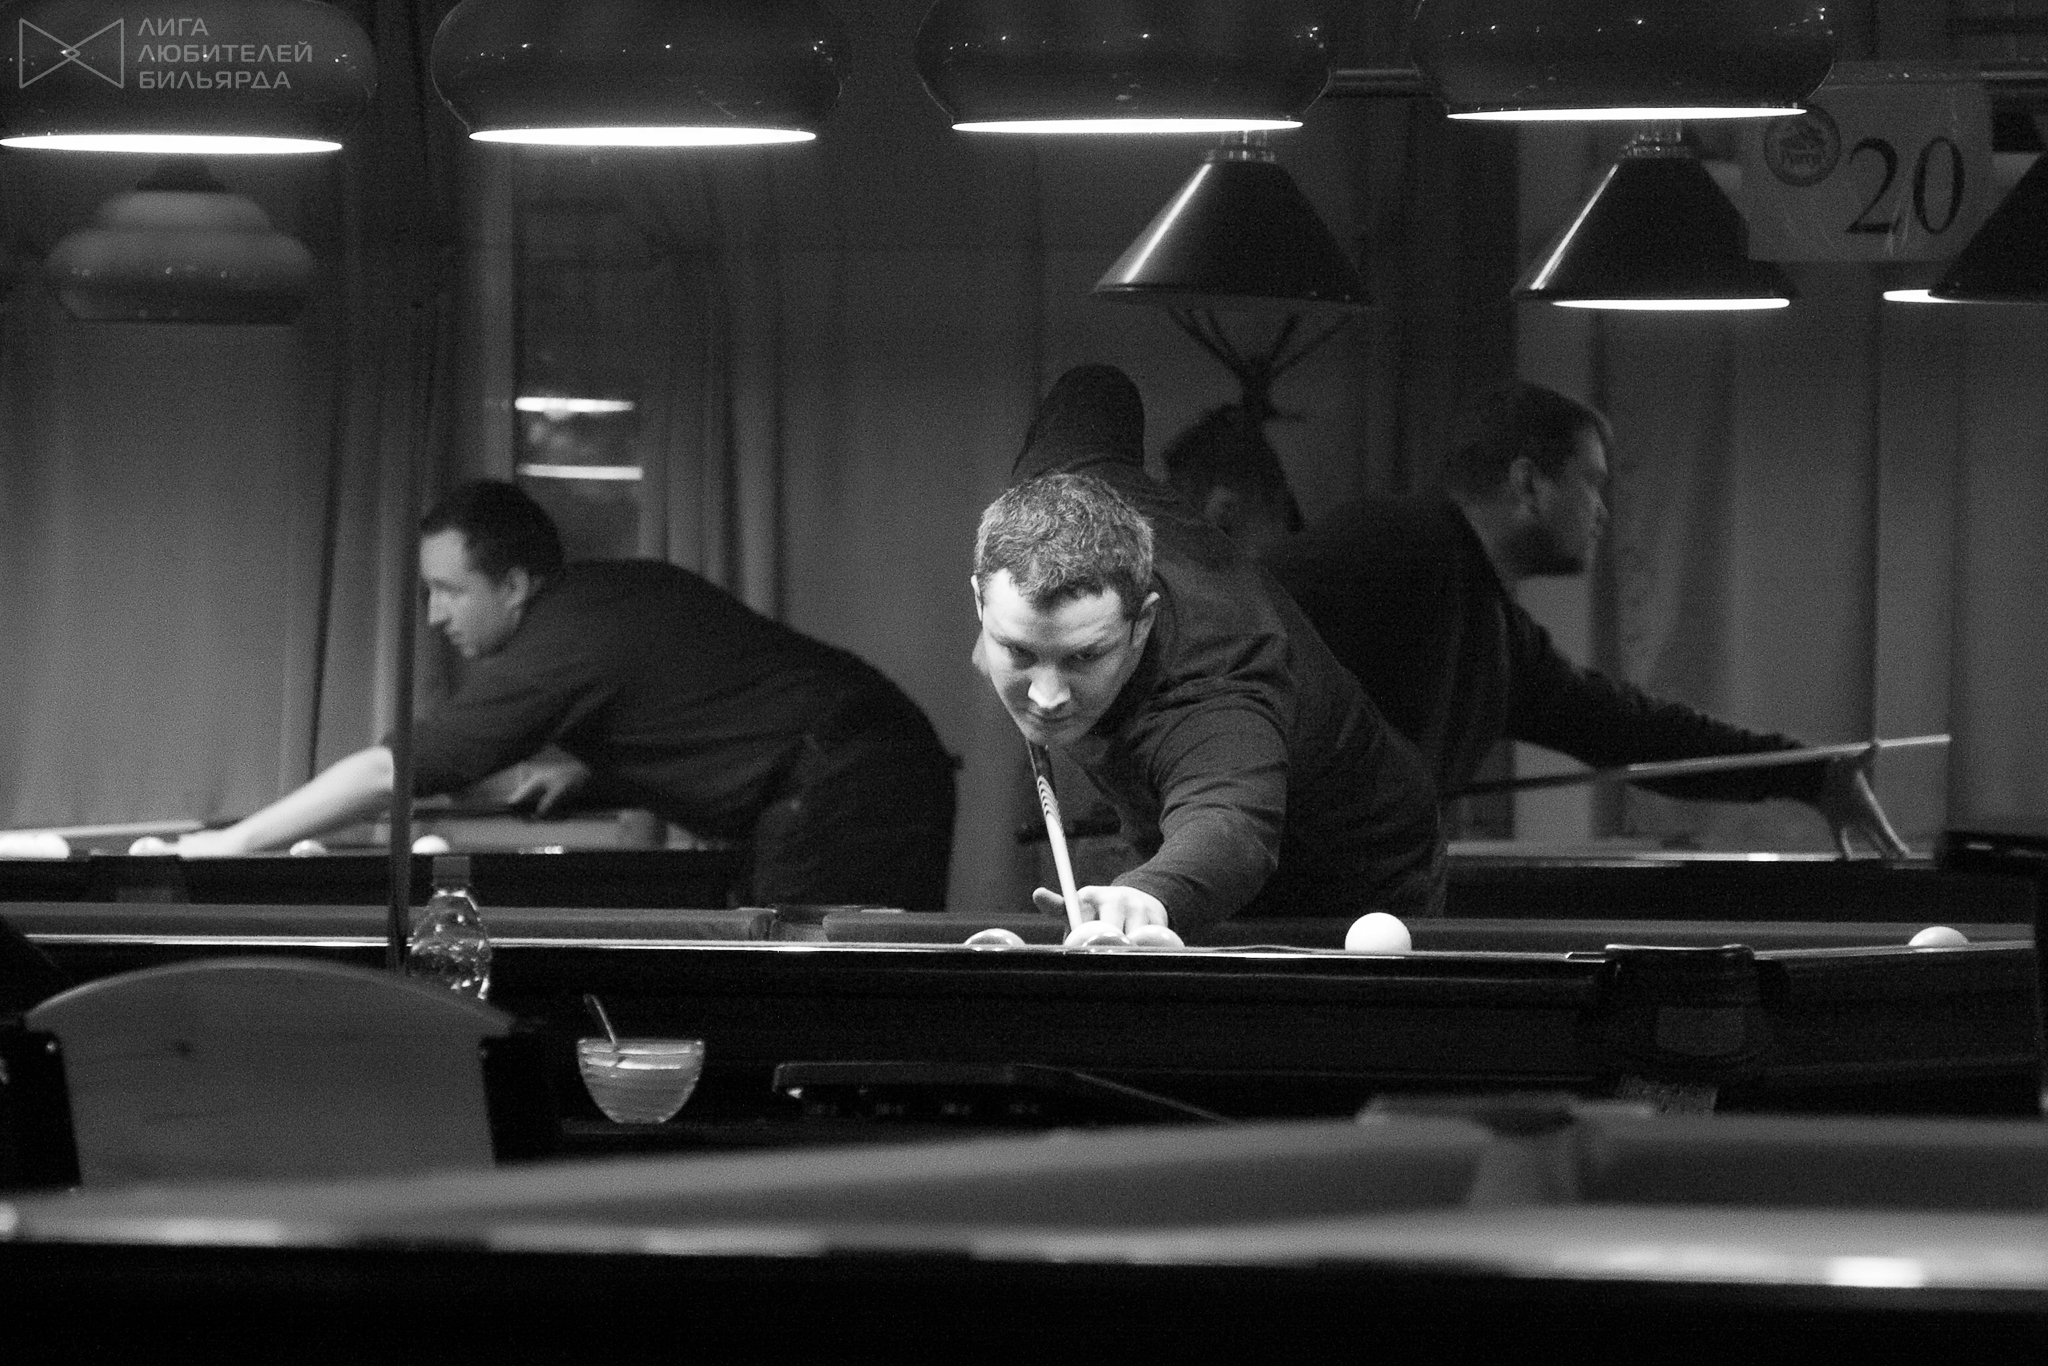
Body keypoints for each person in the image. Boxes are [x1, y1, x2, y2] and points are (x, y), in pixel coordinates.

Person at [1165, 380, 1906, 854]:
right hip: (1258, 895)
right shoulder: (1394, 546)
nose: (1603, 512)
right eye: (1591, 484)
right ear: (1528, 484)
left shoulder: (1495, 629)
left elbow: (1630, 728)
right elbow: (1224, 636)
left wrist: (1813, 774)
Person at [176, 480, 958, 908]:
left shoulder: (562, 645)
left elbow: (394, 771)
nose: (436, 615)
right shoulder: (602, 601)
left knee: (807, 1010)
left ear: (515, 585)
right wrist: (596, 774)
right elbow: (703, 706)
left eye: (450, 590)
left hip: (849, 782)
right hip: (869, 765)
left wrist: (233, 846)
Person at [971, 364, 1444, 939]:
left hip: (1348, 877)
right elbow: (1098, 389)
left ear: (1142, 622)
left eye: (1083, 657)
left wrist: (1151, 894)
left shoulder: (1217, 676)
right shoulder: (1061, 478)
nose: (1046, 696)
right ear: (980, 601)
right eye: (1020, 650)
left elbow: (1229, 825)